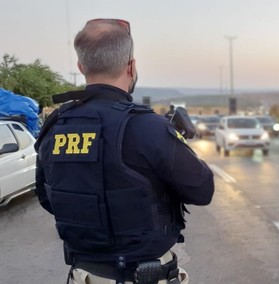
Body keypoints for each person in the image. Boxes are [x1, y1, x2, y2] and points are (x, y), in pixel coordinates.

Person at [34, 18, 214, 284]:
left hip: (83, 275)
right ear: (131, 66)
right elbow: (202, 190)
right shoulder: (147, 126)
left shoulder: (55, 125)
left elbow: (48, 198)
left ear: (81, 66)